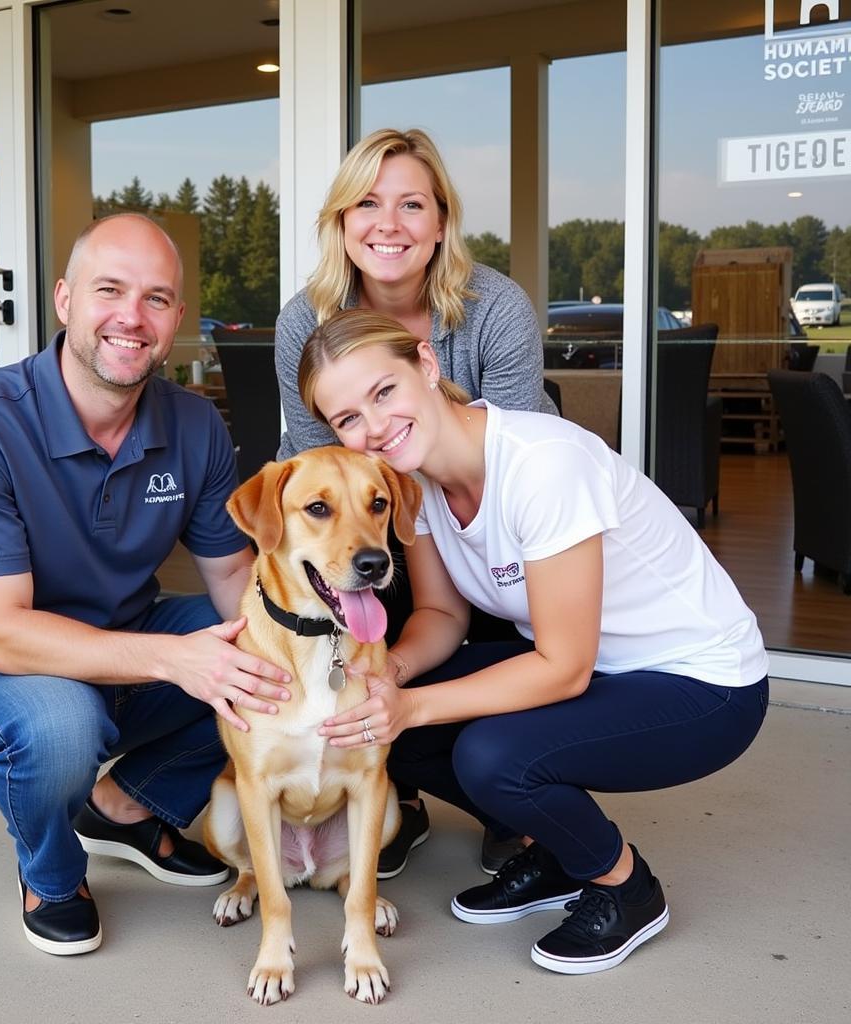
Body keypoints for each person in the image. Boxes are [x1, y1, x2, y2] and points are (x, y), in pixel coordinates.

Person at [297, 309, 770, 975]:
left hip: (704, 684)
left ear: (427, 367)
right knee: (387, 723)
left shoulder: (543, 464)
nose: (373, 426)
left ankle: (624, 887)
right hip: (598, 668)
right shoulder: (417, 486)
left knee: (494, 756)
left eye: (384, 392)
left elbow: (565, 668)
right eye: (347, 418)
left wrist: (416, 706)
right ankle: (558, 854)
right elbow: (441, 614)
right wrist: (394, 677)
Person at [0, 213, 291, 956]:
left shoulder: (193, 424)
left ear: (178, 318)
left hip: (124, 643)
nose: (132, 316)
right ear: (64, 301)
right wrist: (176, 662)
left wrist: (296, 659)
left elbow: (232, 576)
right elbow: (2, 632)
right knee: (61, 724)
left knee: (269, 664)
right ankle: (52, 875)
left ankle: (123, 805)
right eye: (109, 290)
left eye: (156, 298)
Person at [274, 127, 556, 876]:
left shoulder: (493, 306)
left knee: (500, 621)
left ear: (440, 224)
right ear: (341, 221)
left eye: (411, 205)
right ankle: (396, 785)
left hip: (491, 515)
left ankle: (516, 797)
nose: (388, 224)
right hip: (384, 511)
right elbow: (310, 469)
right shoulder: (306, 320)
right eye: (366, 204)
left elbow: (509, 462)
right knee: (356, 590)